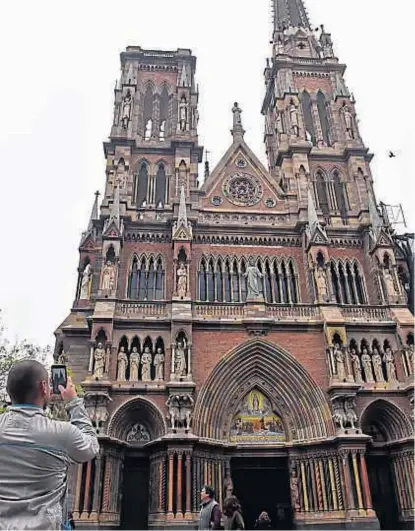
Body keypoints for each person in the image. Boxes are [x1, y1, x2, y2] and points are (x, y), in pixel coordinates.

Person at [0, 360, 99, 530]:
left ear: (9, 390)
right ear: (44, 387)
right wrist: (74, 402)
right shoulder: (62, 433)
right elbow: (91, 447)